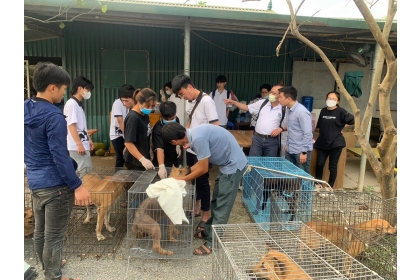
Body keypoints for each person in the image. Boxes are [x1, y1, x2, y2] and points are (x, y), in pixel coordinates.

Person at [24, 62, 91, 280]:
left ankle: (48, 265)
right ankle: (54, 276)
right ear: (52, 87)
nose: (64, 93)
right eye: (63, 89)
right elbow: (60, 156)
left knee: (42, 233)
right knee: (54, 235)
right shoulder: (53, 116)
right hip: (56, 186)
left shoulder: (25, 108)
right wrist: (77, 185)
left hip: (35, 181)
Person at [161, 123, 247, 256]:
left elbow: (203, 168)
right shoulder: (194, 136)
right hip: (226, 165)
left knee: (223, 205)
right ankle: (208, 230)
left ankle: (212, 242)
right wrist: (185, 173)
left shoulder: (197, 139)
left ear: (174, 141)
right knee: (216, 200)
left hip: (233, 166)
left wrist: (182, 179)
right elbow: (198, 165)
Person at [172, 74, 219, 228]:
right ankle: (196, 208)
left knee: (203, 182)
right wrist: (185, 138)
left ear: (190, 87)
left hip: (203, 149)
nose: (183, 97)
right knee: (194, 180)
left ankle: (206, 215)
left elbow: (215, 126)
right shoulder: (190, 102)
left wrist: (205, 146)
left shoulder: (207, 101)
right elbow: (191, 120)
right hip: (192, 147)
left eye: (182, 93)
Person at [224, 83, 285, 157]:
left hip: (272, 140)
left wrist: (281, 129)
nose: (270, 94)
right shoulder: (263, 103)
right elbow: (246, 107)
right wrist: (234, 102)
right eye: (271, 92)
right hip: (258, 138)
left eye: (273, 93)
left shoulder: (284, 108)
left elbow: (290, 125)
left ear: (280, 95)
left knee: (270, 162)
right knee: (253, 161)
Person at [314, 91, 355, 189]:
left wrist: (343, 127)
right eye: (329, 98)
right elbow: (319, 126)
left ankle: (329, 188)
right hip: (323, 141)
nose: (330, 100)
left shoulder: (341, 111)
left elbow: (353, 120)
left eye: (333, 99)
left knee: (332, 166)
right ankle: (318, 185)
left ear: (338, 101)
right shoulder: (323, 111)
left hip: (336, 143)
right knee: (319, 164)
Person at [277, 86, 313, 174]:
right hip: (290, 149)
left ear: (288, 99)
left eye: (281, 97)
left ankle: (306, 188)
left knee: (303, 176)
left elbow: (307, 133)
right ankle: (291, 188)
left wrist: (304, 152)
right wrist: (287, 145)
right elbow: (292, 130)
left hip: (300, 151)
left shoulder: (301, 112)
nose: (279, 99)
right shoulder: (289, 110)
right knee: (289, 175)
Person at [63, 76, 95, 174]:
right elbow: (71, 125)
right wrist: (79, 144)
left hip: (82, 143)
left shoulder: (78, 104)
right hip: (76, 146)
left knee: (87, 171)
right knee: (84, 173)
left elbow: (81, 127)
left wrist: (88, 139)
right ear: (79, 88)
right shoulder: (72, 104)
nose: (88, 92)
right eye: (87, 89)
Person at [123, 88, 158, 170]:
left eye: (152, 106)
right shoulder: (133, 118)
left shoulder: (144, 114)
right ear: (139, 102)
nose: (150, 108)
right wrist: (142, 159)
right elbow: (128, 143)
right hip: (135, 162)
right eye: (147, 105)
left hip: (144, 157)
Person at [152, 101, 183, 179]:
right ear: (161, 115)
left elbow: (179, 133)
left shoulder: (177, 120)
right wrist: (161, 166)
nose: (170, 120)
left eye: (172, 118)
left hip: (174, 156)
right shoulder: (158, 129)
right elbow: (159, 149)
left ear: (175, 112)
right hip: (163, 159)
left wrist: (178, 144)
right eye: (166, 119)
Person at [109, 84, 136, 167]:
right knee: (120, 158)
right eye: (123, 100)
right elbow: (120, 121)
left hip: (125, 134)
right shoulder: (117, 103)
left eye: (127, 101)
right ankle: (116, 178)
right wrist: (128, 136)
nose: (124, 103)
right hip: (117, 135)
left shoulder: (131, 104)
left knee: (127, 157)